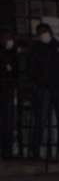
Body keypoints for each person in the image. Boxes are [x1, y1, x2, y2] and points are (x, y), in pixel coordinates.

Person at [26, 22, 59, 160]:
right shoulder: (36, 49)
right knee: (40, 120)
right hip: (45, 89)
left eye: (45, 31)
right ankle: (35, 150)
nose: (44, 34)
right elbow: (30, 69)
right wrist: (39, 82)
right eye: (41, 32)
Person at [0, 28, 19, 160]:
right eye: (6, 37)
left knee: (9, 122)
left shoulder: (13, 53)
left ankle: (8, 151)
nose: (8, 40)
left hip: (8, 90)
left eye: (10, 37)